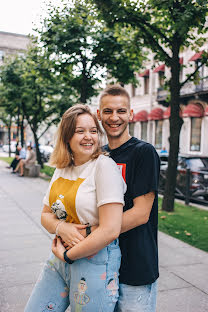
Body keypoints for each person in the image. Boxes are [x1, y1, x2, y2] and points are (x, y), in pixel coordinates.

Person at [24, 104, 126, 312]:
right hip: (59, 259)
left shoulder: (104, 167)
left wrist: (69, 255)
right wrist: (63, 228)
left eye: (93, 131)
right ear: (67, 137)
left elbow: (111, 229)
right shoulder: (62, 168)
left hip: (95, 261)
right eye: (80, 131)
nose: (88, 137)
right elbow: (45, 215)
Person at [96, 85, 160, 312]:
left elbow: (141, 214)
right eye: (108, 111)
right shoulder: (97, 155)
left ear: (131, 114)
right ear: (98, 115)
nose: (114, 117)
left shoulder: (144, 152)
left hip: (136, 268)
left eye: (121, 111)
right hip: (100, 265)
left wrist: (90, 234)